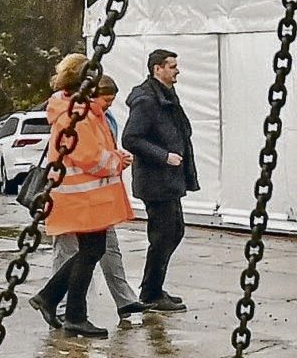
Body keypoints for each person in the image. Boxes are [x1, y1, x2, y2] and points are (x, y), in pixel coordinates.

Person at [29, 55, 134, 339]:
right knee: (90, 252)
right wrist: (116, 161)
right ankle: (70, 311)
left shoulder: (74, 110)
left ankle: (54, 300)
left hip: (84, 198)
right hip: (83, 199)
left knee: (91, 251)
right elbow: (89, 156)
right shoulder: (77, 115)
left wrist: (113, 156)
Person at [122, 47, 196, 311]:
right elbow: (131, 138)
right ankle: (151, 293)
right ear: (158, 69)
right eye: (172, 66)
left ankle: (152, 286)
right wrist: (164, 156)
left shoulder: (166, 95)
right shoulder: (146, 100)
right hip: (156, 180)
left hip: (170, 179)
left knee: (175, 231)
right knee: (163, 234)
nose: (177, 71)